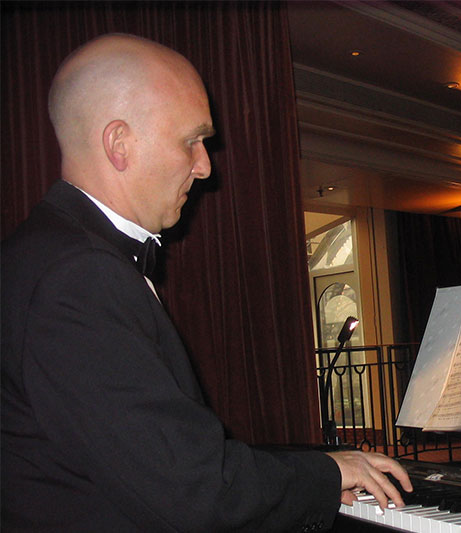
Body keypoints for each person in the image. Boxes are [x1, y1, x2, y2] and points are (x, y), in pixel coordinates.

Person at [1, 33, 412, 532]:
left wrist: (315, 466)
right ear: (119, 144)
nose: (205, 165)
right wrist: (323, 473)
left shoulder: (49, 252)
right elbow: (193, 490)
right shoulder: (77, 275)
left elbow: (152, 455)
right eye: (191, 140)